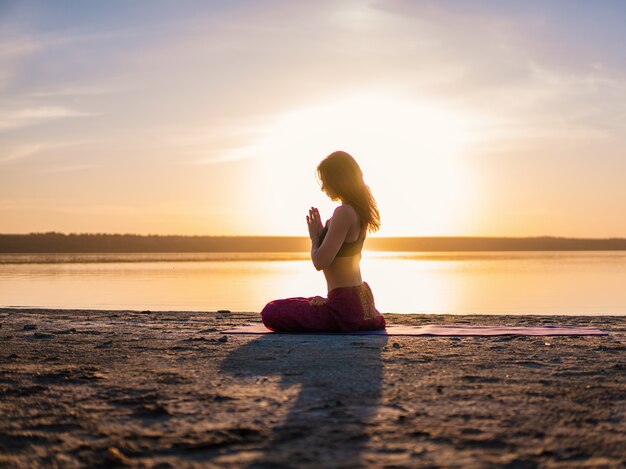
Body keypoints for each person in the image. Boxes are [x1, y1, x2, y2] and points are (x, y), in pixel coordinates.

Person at [260, 150, 387, 332]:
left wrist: (315, 238)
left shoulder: (343, 213)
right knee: (301, 302)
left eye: (325, 182)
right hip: (360, 303)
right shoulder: (358, 212)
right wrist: (329, 300)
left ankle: (331, 308)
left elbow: (320, 262)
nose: (323, 188)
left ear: (338, 180)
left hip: (345, 309)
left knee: (271, 311)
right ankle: (329, 304)